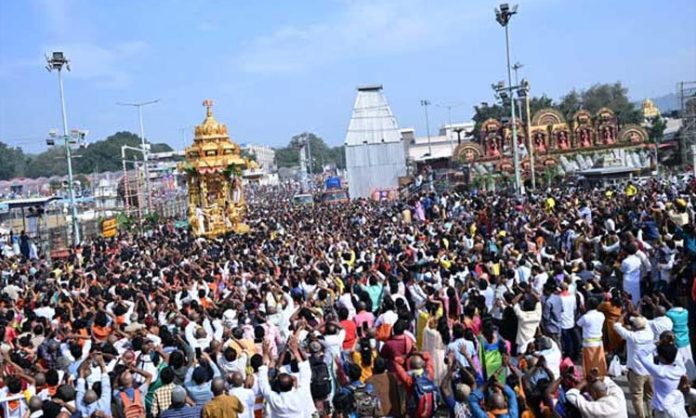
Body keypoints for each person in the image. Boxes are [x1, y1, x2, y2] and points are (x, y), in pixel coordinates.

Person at [613, 313, 654, 418]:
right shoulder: (650, 333)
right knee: (650, 396)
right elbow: (643, 319)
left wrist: (624, 314)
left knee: (637, 397)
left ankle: (641, 416)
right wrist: (636, 314)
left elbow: (616, 325)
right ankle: (650, 415)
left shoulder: (632, 336)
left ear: (634, 327)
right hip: (650, 370)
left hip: (637, 372)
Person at [637, 343, 687, 418]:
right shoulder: (681, 369)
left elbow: (640, 354)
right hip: (677, 409)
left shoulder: (660, 371)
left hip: (662, 411)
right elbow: (676, 354)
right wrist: (670, 345)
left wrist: (655, 344)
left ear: (662, 358)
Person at [576, 297, 607, 376]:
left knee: (590, 362)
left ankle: (591, 377)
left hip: (588, 343)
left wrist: (583, 312)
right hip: (599, 342)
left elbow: (578, 324)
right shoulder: (601, 315)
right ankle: (601, 375)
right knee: (599, 360)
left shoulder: (586, 317)